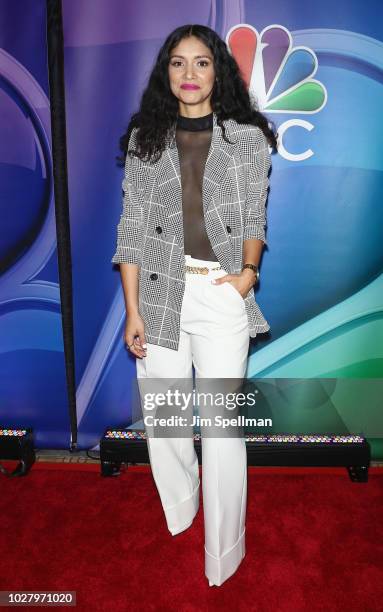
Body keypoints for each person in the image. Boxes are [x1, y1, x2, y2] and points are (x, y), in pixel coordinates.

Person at [111, 24, 278, 587]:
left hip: (220, 292)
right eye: (178, 63)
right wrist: (132, 310)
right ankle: (181, 504)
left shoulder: (248, 140)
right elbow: (131, 228)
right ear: (167, 72)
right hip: (157, 291)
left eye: (201, 63)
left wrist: (247, 276)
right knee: (165, 413)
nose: (189, 74)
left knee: (223, 427)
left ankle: (224, 549)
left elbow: (255, 217)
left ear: (217, 72)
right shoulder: (145, 138)